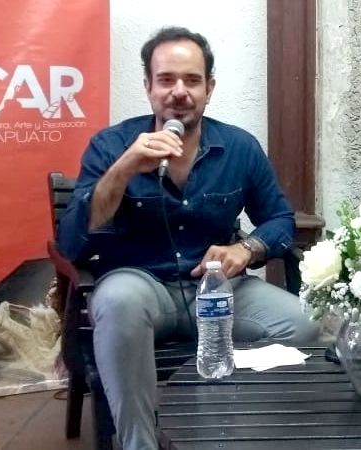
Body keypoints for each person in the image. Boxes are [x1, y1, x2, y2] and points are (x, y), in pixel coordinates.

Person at [57, 27, 318, 449]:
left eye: (192, 80)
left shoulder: (239, 147)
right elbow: (71, 242)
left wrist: (246, 248)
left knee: (306, 324)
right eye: (166, 79)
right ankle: (140, 444)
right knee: (118, 302)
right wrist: (124, 168)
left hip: (217, 291)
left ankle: (242, 429)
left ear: (209, 89)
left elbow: (280, 219)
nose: (179, 91)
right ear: (148, 86)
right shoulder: (111, 145)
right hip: (140, 287)